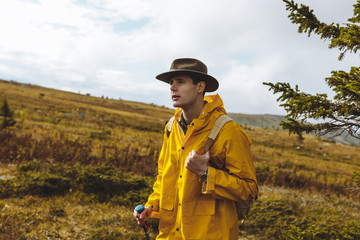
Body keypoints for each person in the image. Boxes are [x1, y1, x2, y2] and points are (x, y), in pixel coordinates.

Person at [134, 58, 258, 240]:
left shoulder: (228, 131)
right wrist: (150, 206)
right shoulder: (171, 127)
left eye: (180, 82)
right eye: (171, 83)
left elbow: (249, 189)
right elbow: (164, 177)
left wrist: (205, 173)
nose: (172, 88)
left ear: (200, 87)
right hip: (171, 235)